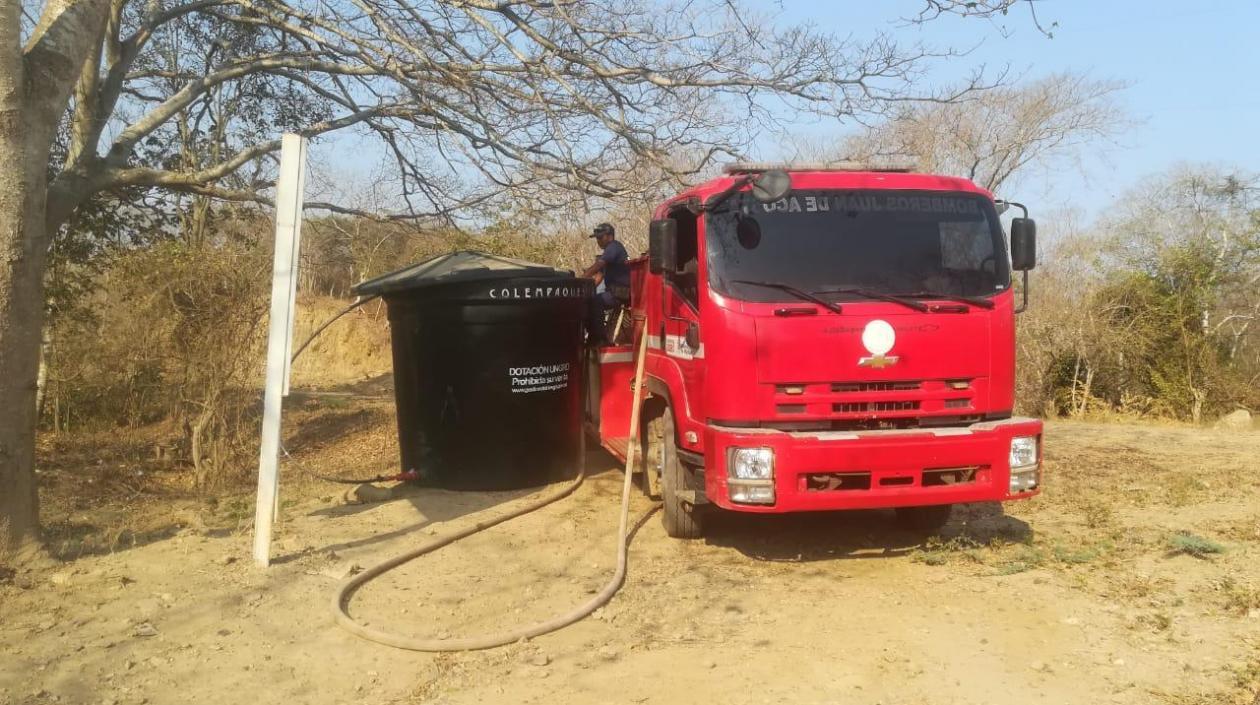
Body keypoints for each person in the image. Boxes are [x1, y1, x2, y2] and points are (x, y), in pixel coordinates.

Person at [581, 222, 629, 345]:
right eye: (597, 238)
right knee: (587, 301)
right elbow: (599, 276)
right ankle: (592, 337)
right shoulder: (608, 252)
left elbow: (598, 266)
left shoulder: (614, 247)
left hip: (621, 292)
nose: (598, 241)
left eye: (600, 237)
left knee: (596, 301)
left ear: (609, 236)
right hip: (612, 292)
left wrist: (581, 279)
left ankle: (600, 339)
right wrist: (584, 291)